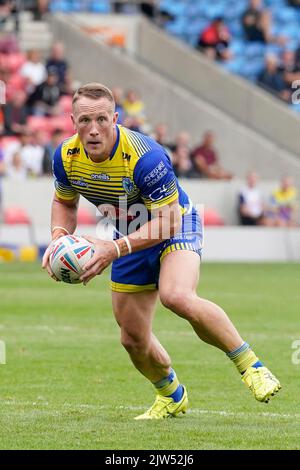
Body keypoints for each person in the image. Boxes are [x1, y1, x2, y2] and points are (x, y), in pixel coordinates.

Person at [42, 83, 281, 419]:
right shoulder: (65, 156)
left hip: (175, 223)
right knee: (132, 338)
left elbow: (168, 222)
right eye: (84, 121)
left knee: (177, 295)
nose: (93, 129)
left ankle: (251, 365)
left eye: (101, 119)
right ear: (72, 120)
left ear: (116, 118)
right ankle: (171, 394)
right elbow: (63, 201)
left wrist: (114, 249)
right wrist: (58, 238)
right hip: (127, 235)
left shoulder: (145, 156)